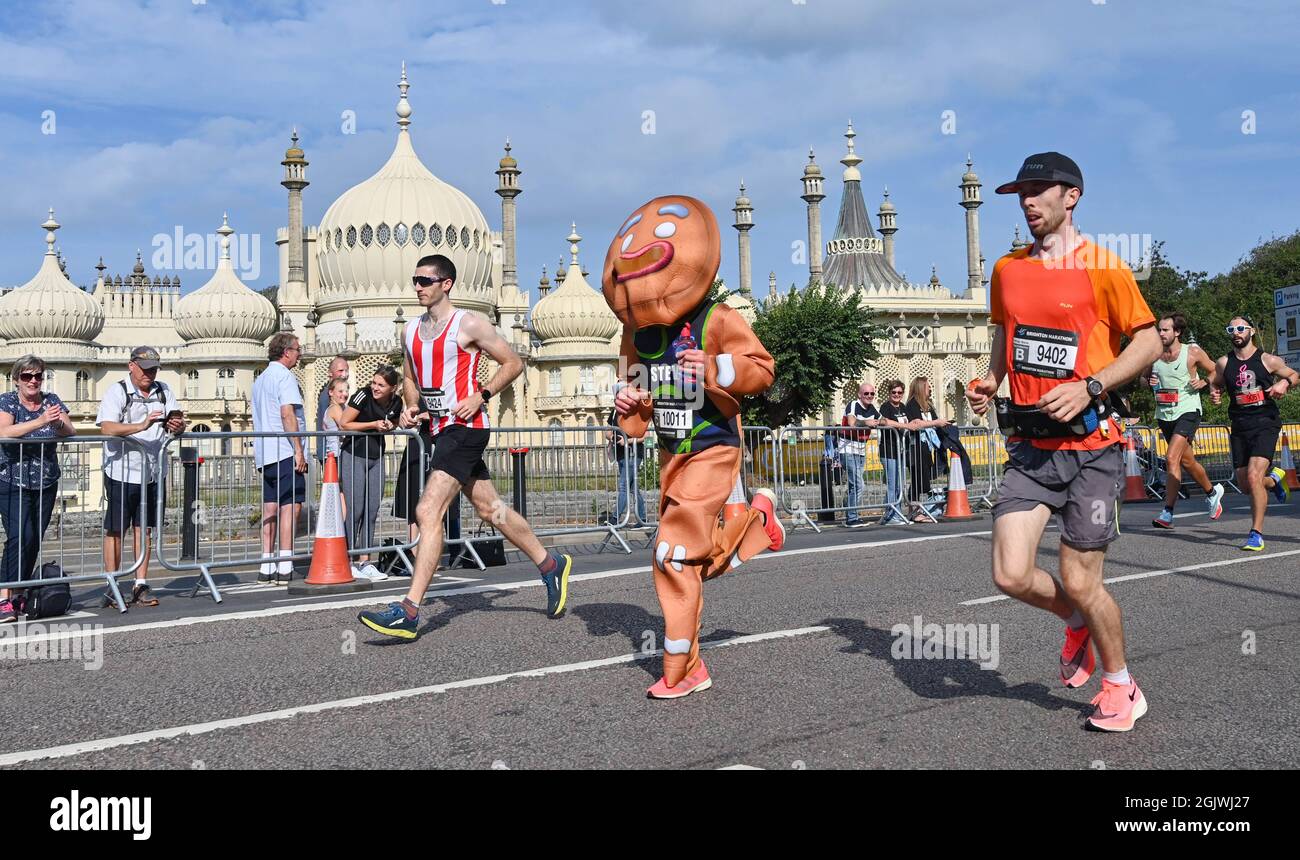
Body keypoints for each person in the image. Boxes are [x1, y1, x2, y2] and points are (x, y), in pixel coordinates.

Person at [968, 151, 1161, 732]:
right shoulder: (1007, 270)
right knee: (1010, 573)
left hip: (1093, 448)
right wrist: (992, 380)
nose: (1027, 202)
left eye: (1037, 191)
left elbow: (1148, 342)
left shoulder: (1105, 267)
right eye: (1019, 194)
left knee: (1081, 576)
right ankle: (1076, 620)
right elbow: (1006, 332)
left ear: (1070, 196)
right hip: (1030, 450)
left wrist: (1091, 385)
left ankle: (1122, 686)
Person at [603, 195, 785, 699]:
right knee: (689, 556)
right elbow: (636, 424)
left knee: (671, 554)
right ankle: (756, 526)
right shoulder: (636, 336)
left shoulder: (717, 319)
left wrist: (713, 368)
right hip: (670, 457)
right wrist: (629, 404)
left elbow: (763, 371)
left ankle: (681, 668)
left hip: (713, 449)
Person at [358, 254, 573, 639]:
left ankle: (408, 612)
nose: (418, 286)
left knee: (427, 510)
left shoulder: (469, 324)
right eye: (415, 279)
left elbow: (512, 362)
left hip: (467, 428)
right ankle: (549, 564)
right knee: (492, 509)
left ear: (447, 283)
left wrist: (482, 394)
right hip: (440, 429)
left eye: (426, 280)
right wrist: (411, 406)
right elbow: (409, 375)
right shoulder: (410, 331)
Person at [95, 346, 186, 609]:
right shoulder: (118, 391)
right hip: (122, 470)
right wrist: (141, 425)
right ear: (131, 366)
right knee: (115, 530)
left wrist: (176, 426)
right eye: (145, 368)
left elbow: (176, 421)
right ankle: (112, 584)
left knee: (143, 529)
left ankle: (140, 583)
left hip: (153, 471)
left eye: (154, 368)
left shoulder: (163, 390)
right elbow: (107, 427)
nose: (150, 373)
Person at [1209, 315, 1297, 551]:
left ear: (1251, 331)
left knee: (1253, 477)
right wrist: (1214, 392)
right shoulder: (1223, 363)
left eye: (1240, 328)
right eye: (1231, 329)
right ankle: (1276, 479)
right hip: (1239, 425)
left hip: (1265, 422)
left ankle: (1256, 533)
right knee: (1246, 485)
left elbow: (1294, 375)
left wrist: (1284, 384)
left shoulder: (1268, 360)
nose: (1236, 332)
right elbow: (1215, 381)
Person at [0, 355, 75, 622]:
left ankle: (19, 593)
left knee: (32, 541)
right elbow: (5, 431)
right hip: (12, 481)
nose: (33, 381)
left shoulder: (51, 400)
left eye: (38, 376)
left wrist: (56, 422)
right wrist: (41, 421)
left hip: (45, 481)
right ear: (16, 378)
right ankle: (3, 597)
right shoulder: (7, 401)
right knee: (20, 536)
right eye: (27, 376)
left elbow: (69, 429)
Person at [1145, 313, 1224, 528]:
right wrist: (1148, 380)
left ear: (1177, 332)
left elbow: (1217, 370)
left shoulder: (1192, 353)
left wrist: (1206, 382)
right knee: (1186, 461)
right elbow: (1144, 380)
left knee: (1171, 458)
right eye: (1159, 330)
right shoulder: (1153, 354)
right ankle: (1212, 492)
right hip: (1164, 414)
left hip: (1188, 410)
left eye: (1165, 330)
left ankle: (1167, 512)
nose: (1160, 333)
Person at [251, 332, 307, 585]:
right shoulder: (285, 377)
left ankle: (266, 563)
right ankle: (285, 563)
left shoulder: (261, 378)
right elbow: (287, 414)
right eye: (297, 349)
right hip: (284, 451)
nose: (299, 354)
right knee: (290, 506)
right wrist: (298, 449)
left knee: (270, 507)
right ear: (286, 352)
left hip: (266, 452)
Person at [338, 366, 404, 581]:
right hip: (354, 454)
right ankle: (347, 558)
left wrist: (388, 426)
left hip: (376, 456)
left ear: (392, 388)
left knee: (372, 509)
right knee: (355, 509)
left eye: (381, 385)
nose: (375, 387)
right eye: (374, 383)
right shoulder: (362, 395)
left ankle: (365, 561)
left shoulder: (396, 402)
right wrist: (373, 424)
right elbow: (344, 424)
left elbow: (393, 423)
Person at [904, 377, 952, 523]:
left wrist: (943, 423)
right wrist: (936, 422)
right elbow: (917, 423)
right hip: (916, 446)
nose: (930, 389)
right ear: (920, 388)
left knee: (924, 479)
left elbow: (934, 421)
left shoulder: (928, 405)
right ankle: (914, 512)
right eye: (928, 387)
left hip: (928, 446)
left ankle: (918, 510)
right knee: (917, 479)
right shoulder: (911, 405)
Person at [840, 383, 880, 528]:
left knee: (856, 484)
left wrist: (905, 425)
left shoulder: (872, 408)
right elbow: (852, 422)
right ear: (859, 394)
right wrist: (866, 422)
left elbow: (881, 420)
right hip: (848, 448)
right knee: (858, 485)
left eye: (872, 394)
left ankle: (849, 509)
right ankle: (851, 518)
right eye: (866, 393)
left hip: (861, 449)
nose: (869, 396)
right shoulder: (853, 405)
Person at [875, 380, 911, 525]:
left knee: (899, 484)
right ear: (889, 393)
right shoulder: (885, 407)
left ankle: (895, 512)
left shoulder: (903, 407)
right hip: (889, 450)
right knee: (893, 485)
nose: (897, 395)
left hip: (901, 451)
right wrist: (902, 425)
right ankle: (891, 515)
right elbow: (884, 422)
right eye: (894, 392)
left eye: (899, 392)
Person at [606, 406, 647, 527]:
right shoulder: (614, 411)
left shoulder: (637, 412)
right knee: (633, 488)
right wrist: (612, 437)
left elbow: (643, 436)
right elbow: (607, 432)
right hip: (620, 454)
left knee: (623, 486)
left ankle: (615, 519)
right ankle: (642, 519)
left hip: (633, 453)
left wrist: (626, 441)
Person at [315, 356, 349, 463]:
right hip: (330, 453)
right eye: (340, 371)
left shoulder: (336, 397)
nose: (344, 374)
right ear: (330, 373)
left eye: (346, 370)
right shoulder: (328, 397)